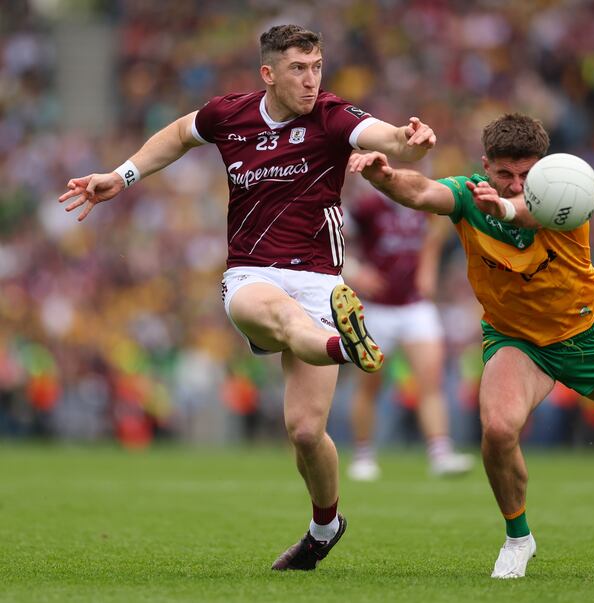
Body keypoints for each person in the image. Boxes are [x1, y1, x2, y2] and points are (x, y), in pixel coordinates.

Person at [58, 24, 436, 572]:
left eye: (316, 68)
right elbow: (179, 134)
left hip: (321, 282)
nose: (311, 81)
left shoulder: (331, 115)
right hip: (252, 274)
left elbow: (391, 139)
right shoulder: (229, 114)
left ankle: (325, 527)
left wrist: (412, 141)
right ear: (269, 74)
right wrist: (124, 175)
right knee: (272, 314)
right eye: (298, 70)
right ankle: (343, 346)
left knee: (306, 432)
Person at [347, 113, 594, 579]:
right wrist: (383, 177)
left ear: (542, 167)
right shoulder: (471, 194)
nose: (513, 184)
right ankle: (517, 537)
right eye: (504, 174)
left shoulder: (566, 191)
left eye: (525, 174)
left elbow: (529, 211)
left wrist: (502, 208)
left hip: (582, 333)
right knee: (499, 430)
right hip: (516, 338)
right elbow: (423, 191)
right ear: (486, 165)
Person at [343, 191, 474, 480]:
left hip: (416, 305)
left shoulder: (422, 195)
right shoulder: (368, 204)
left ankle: (440, 453)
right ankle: (363, 455)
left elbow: (435, 234)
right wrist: (354, 271)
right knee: (369, 385)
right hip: (376, 308)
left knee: (431, 380)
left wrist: (428, 264)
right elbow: (332, 236)